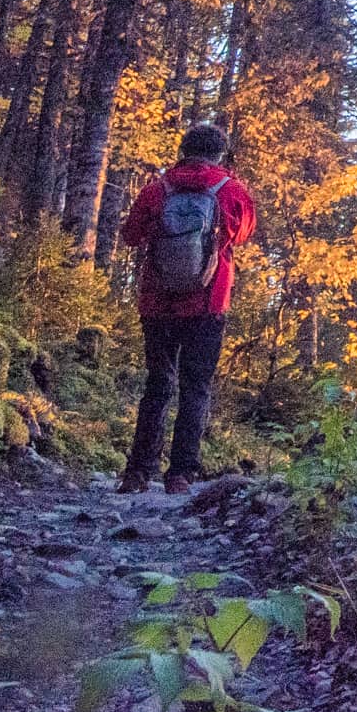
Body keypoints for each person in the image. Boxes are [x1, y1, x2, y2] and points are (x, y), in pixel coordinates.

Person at [116, 120, 256, 493]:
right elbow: (241, 234)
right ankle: (180, 475)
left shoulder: (157, 190)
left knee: (158, 383)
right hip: (208, 301)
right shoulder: (233, 191)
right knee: (196, 386)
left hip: (157, 300)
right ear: (220, 153)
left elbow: (131, 236)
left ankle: (138, 472)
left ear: (183, 149)